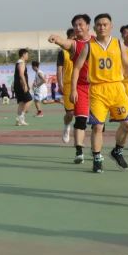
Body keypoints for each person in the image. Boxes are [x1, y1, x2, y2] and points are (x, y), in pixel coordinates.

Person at [69, 14, 128, 173]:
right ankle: (97, 158)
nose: (102, 27)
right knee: (98, 126)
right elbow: (77, 67)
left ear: (111, 26)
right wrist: (73, 89)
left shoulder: (118, 44)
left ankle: (117, 151)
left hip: (117, 89)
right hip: (98, 90)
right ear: (94, 27)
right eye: (99, 25)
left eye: (105, 24)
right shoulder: (89, 46)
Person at [49, 17, 92, 162]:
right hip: (73, 85)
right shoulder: (69, 47)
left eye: (81, 24)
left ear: (88, 26)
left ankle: (96, 150)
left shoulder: (95, 42)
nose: (78, 28)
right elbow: (63, 43)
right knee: (72, 114)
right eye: (75, 26)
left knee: (98, 124)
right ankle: (77, 146)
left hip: (96, 87)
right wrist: (56, 39)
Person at [13, 48, 35, 126]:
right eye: (27, 54)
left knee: (21, 102)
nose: (28, 56)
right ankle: (21, 117)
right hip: (21, 85)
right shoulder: (21, 63)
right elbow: (21, 74)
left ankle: (18, 120)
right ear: (23, 55)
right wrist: (25, 85)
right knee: (30, 100)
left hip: (18, 85)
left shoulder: (18, 62)